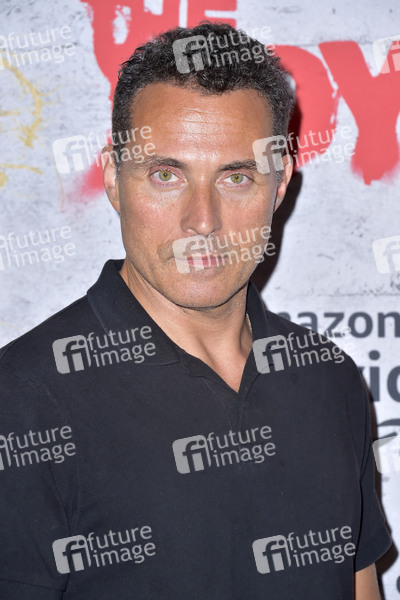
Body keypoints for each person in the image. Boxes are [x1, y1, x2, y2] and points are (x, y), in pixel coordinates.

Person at [0, 22, 391, 600]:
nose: (202, 220)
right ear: (114, 178)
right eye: (166, 174)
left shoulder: (328, 378)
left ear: (279, 184)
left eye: (236, 177)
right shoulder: (21, 401)